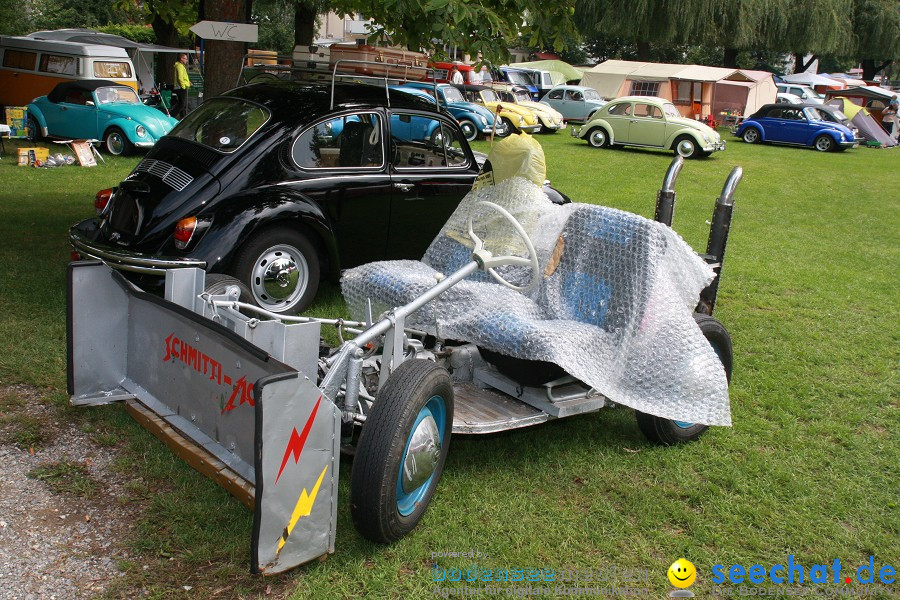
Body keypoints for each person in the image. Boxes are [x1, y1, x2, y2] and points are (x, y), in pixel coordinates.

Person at [173, 54, 191, 119]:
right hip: (180, 88)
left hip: (181, 86)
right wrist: (183, 86)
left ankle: (183, 117)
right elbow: (180, 78)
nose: (186, 60)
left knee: (182, 104)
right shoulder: (180, 66)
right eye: (185, 58)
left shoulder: (181, 66)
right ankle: (172, 115)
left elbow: (183, 77)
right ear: (181, 59)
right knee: (181, 104)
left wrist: (188, 82)